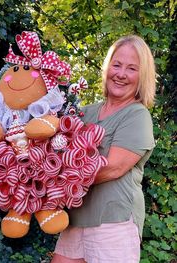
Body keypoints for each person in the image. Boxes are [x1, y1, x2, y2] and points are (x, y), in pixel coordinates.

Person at [51, 35, 156, 263]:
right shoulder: (84, 112)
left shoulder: (137, 115)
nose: (121, 74)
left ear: (142, 76)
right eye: (116, 65)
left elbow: (112, 168)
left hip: (113, 222)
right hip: (75, 219)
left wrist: (53, 181)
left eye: (131, 68)